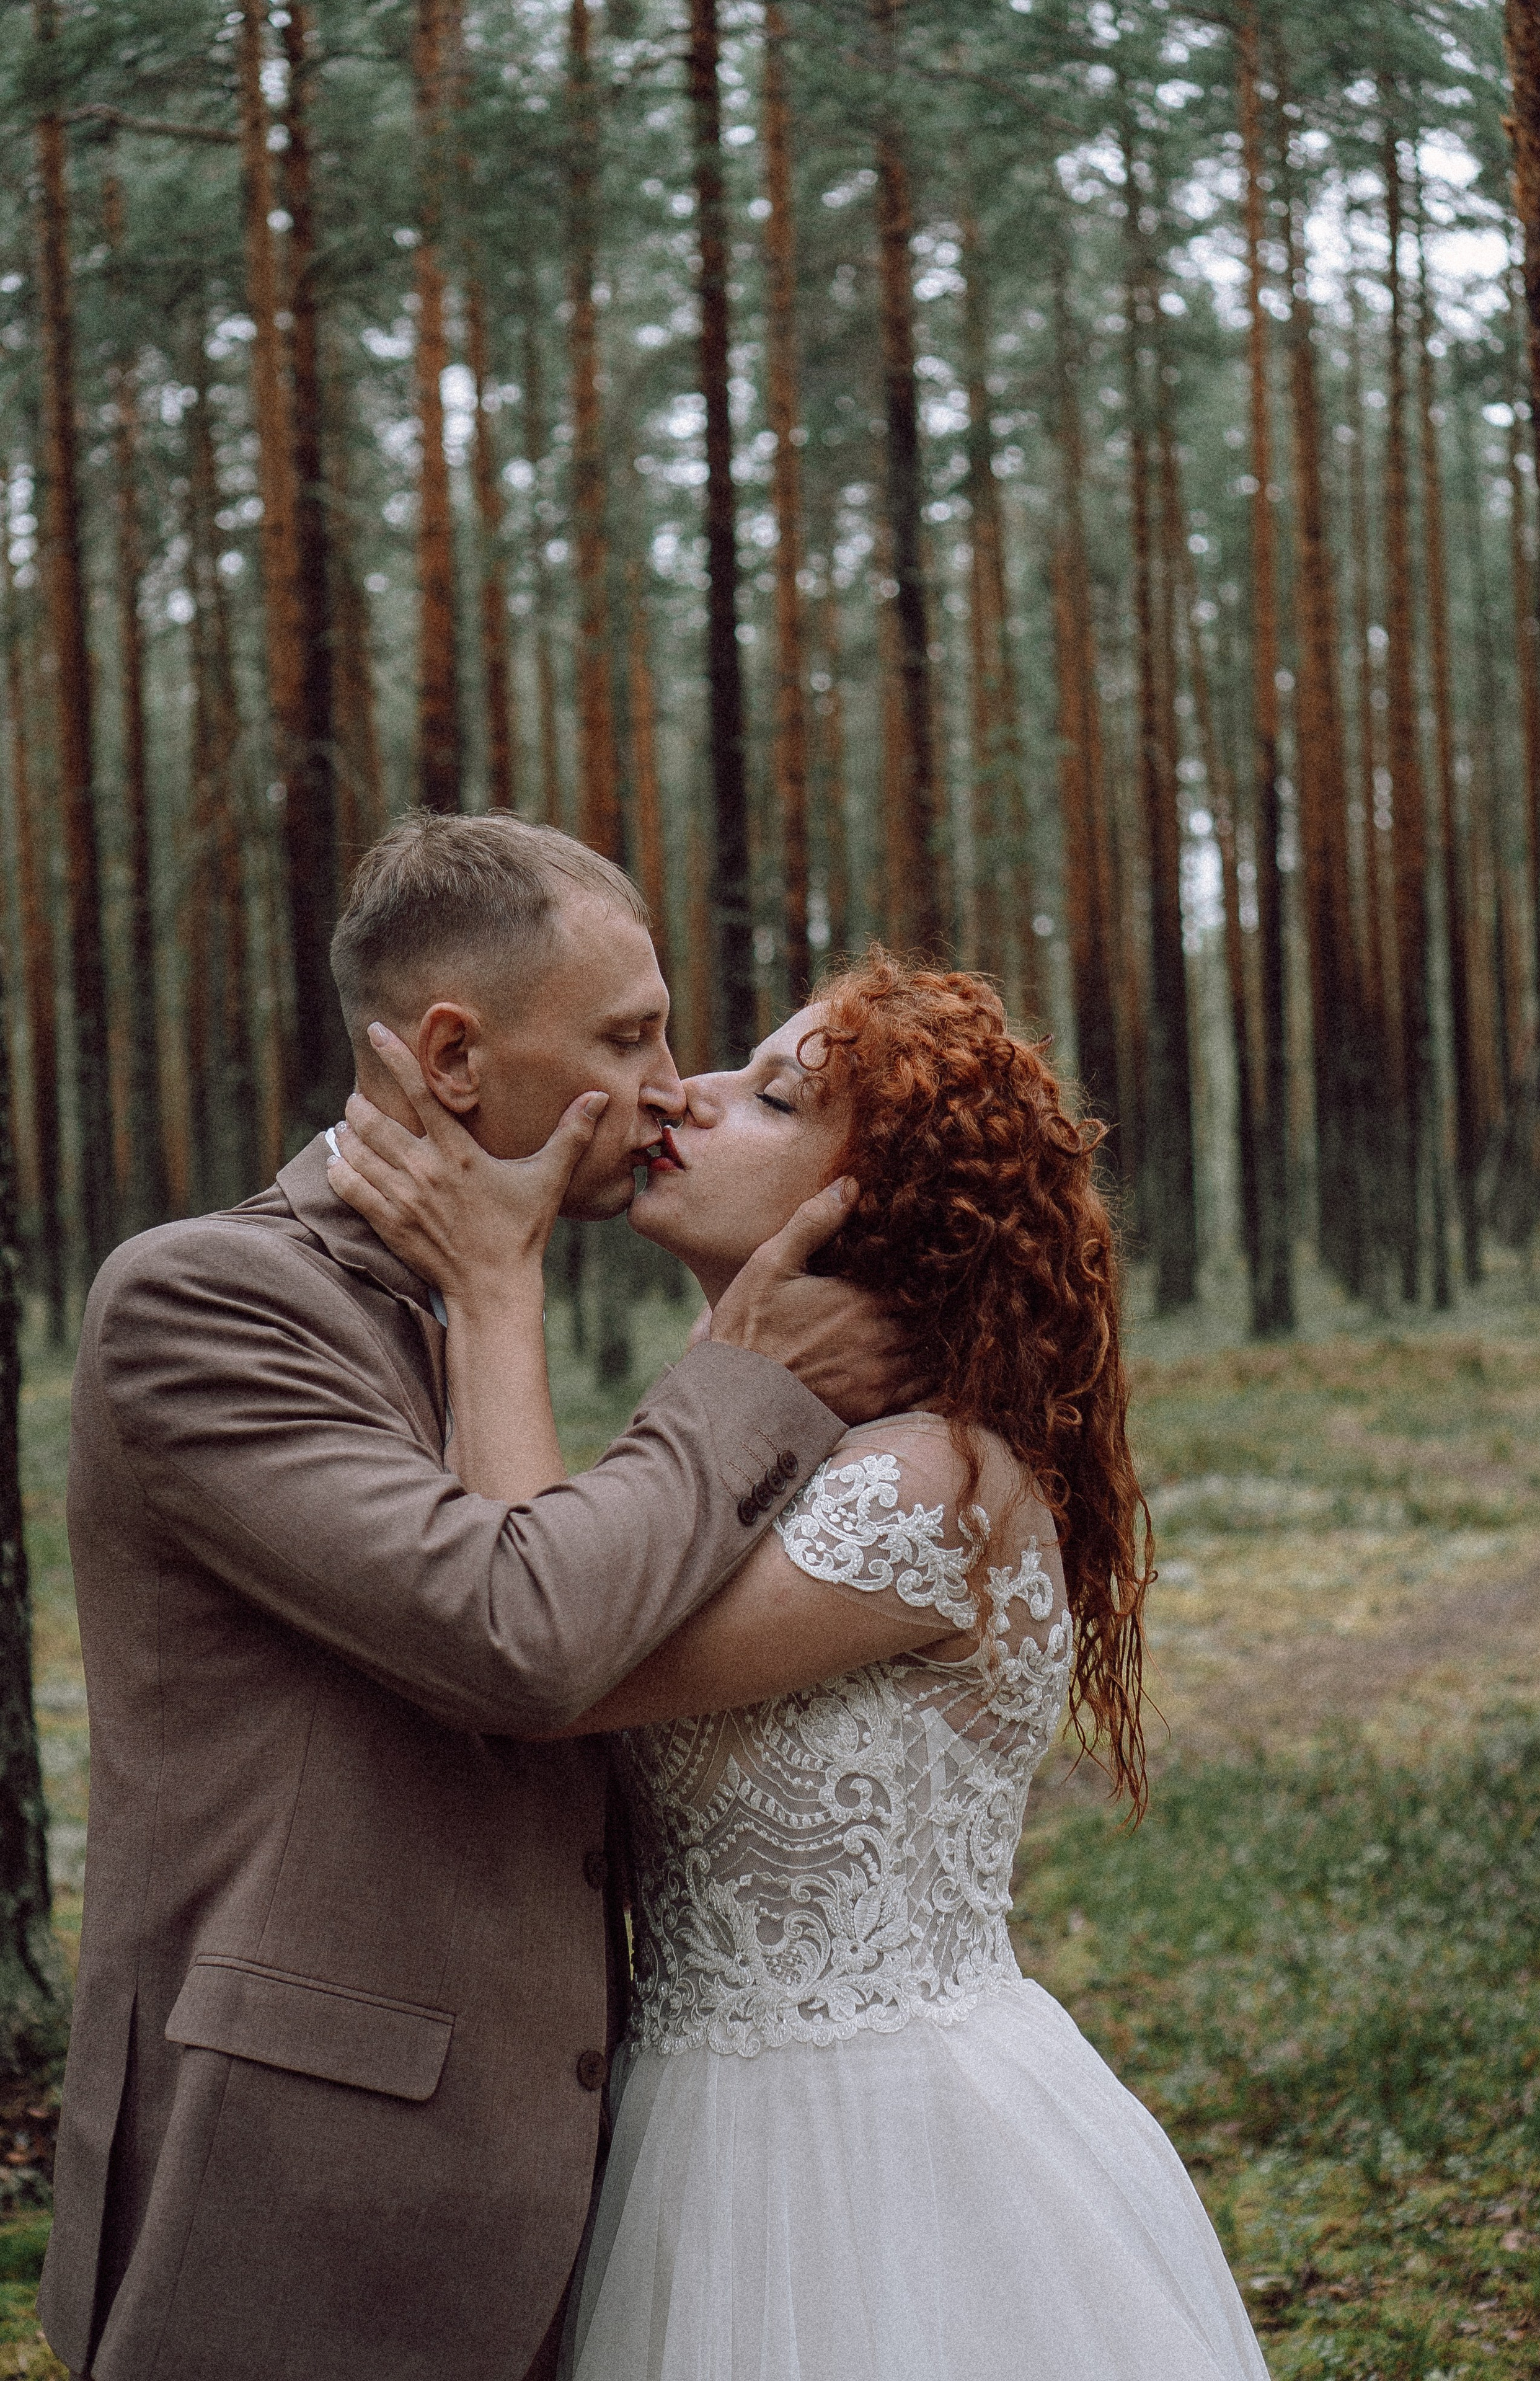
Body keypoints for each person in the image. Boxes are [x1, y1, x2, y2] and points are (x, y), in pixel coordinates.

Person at [41, 815, 909, 2381]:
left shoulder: (473, 1308)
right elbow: (525, 1636)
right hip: (298, 2194)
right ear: (452, 1056)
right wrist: (742, 1378)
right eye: (627, 1036)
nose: (666, 1086)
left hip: (561, 2187)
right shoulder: (200, 1304)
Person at [327, 952, 1272, 2381]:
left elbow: (538, 1649)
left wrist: (494, 1281)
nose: (681, 1098)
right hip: (687, 2125)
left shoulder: (926, 1480)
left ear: (870, 1211)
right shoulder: (778, 1448)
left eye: (770, 1098)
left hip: (882, 2151)